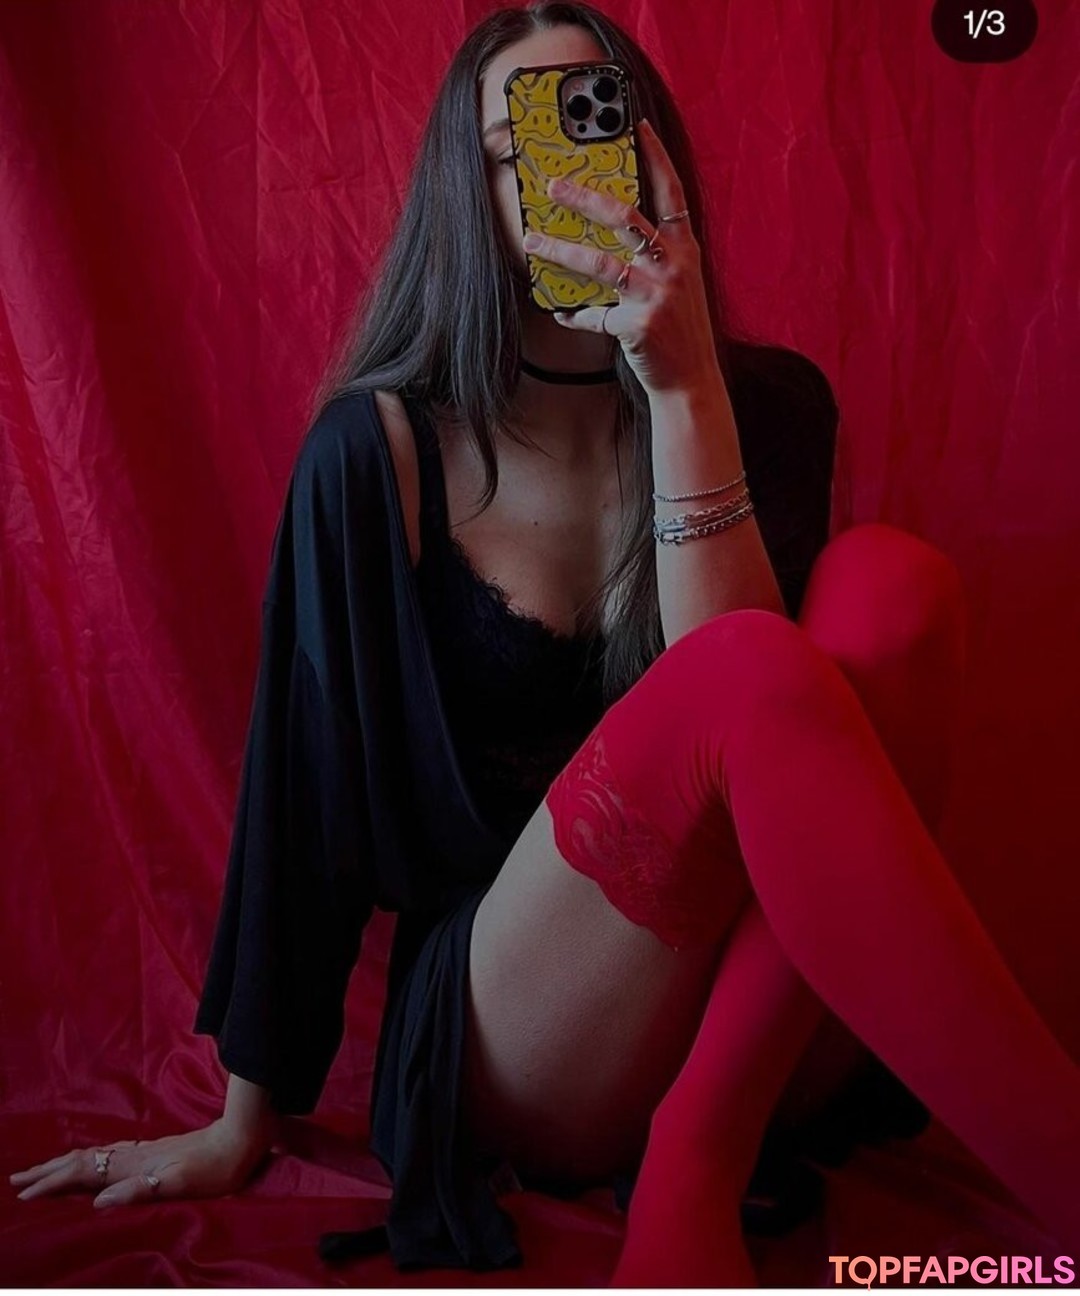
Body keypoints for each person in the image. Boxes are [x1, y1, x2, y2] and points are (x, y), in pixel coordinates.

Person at [11, 3, 1080, 1285]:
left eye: (593, 128)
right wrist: (244, 1119)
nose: (557, 176)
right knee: (752, 667)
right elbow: (305, 788)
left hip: (757, 1025)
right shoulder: (381, 452)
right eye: (514, 148)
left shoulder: (772, 408)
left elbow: (774, 766)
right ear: (467, 194)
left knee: (891, 589)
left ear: (654, 160)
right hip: (528, 1024)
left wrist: (684, 387)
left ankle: (699, 1150)